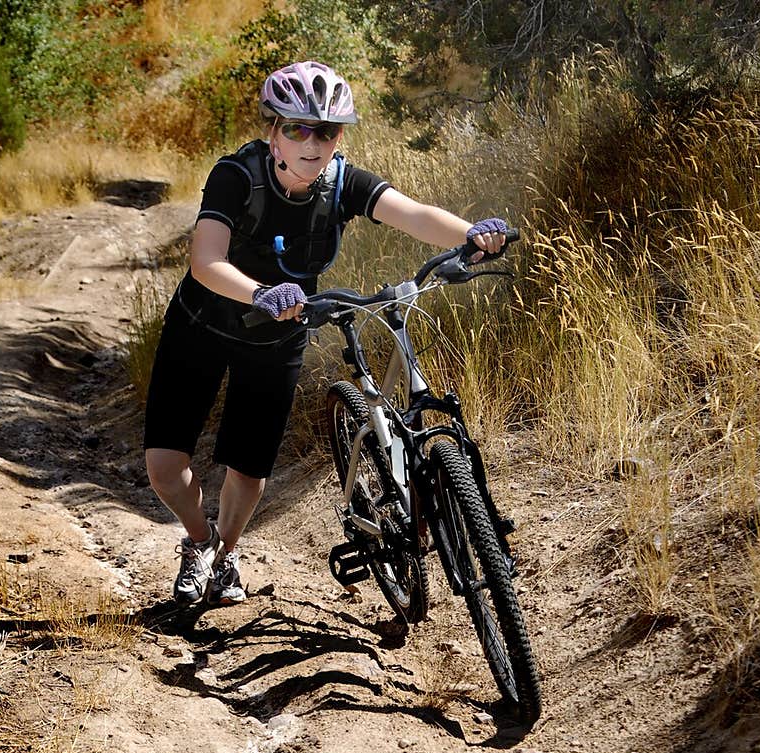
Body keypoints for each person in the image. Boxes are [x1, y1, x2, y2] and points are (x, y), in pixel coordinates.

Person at [143, 59, 509, 607]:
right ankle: (197, 540)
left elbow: (413, 213)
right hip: (203, 326)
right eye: (298, 128)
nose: (313, 143)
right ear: (274, 132)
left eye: (328, 131)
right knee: (165, 469)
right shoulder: (236, 175)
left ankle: (222, 558)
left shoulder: (340, 183)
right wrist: (260, 293)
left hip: (279, 336)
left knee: (248, 468)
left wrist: (472, 232)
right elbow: (204, 260)